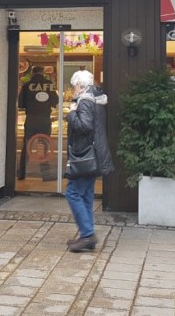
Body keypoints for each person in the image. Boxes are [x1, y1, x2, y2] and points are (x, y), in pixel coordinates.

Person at [65, 69, 113, 253]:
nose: (74, 89)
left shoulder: (85, 100)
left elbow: (84, 126)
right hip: (93, 155)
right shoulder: (97, 99)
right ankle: (88, 235)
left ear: (80, 85)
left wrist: (71, 113)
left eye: (74, 86)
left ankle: (87, 235)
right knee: (85, 194)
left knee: (73, 193)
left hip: (84, 156)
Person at [17, 66, 58, 180]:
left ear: (32, 73)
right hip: (44, 118)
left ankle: (21, 173)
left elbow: (20, 103)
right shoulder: (48, 84)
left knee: (27, 145)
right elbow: (55, 101)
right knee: (43, 145)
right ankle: (45, 174)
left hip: (31, 119)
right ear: (42, 72)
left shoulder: (26, 85)